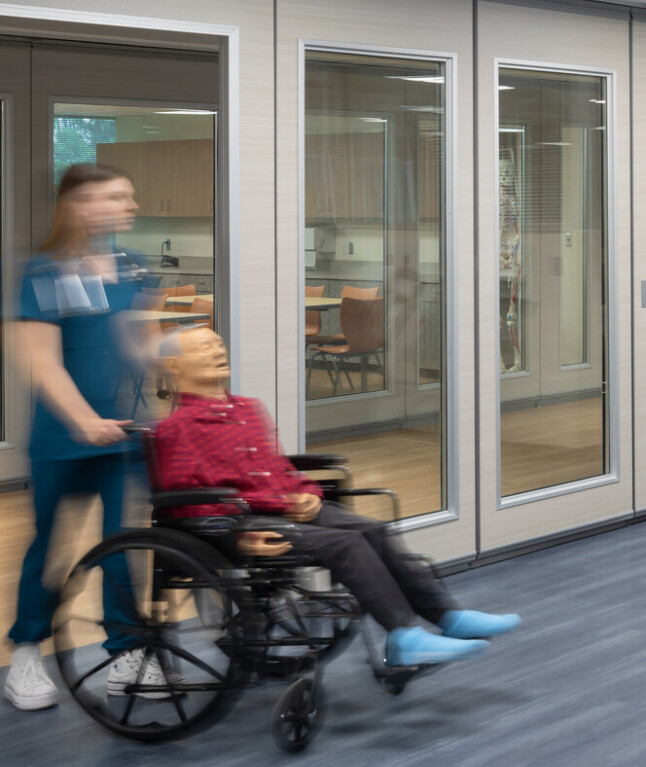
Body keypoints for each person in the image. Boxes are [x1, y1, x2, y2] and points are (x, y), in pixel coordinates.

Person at [152, 325, 521, 670]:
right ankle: (404, 636)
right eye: (204, 347)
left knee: (374, 530)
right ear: (175, 365)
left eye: (218, 344)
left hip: (285, 507)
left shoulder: (247, 409)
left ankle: (449, 617)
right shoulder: (176, 428)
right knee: (346, 544)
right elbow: (185, 502)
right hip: (243, 521)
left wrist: (307, 492)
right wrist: (237, 535)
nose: (218, 351)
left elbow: (278, 467)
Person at [4, 163, 154, 711]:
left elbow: (137, 346)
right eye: (116, 196)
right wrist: (81, 420)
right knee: (51, 547)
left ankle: (127, 651)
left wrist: (181, 352)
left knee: (123, 546)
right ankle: (26, 652)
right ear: (79, 205)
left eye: (128, 195)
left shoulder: (133, 268)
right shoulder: (45, 271)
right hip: (63, 438)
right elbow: (41, 363)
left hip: (123, 434)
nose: (129, 205)